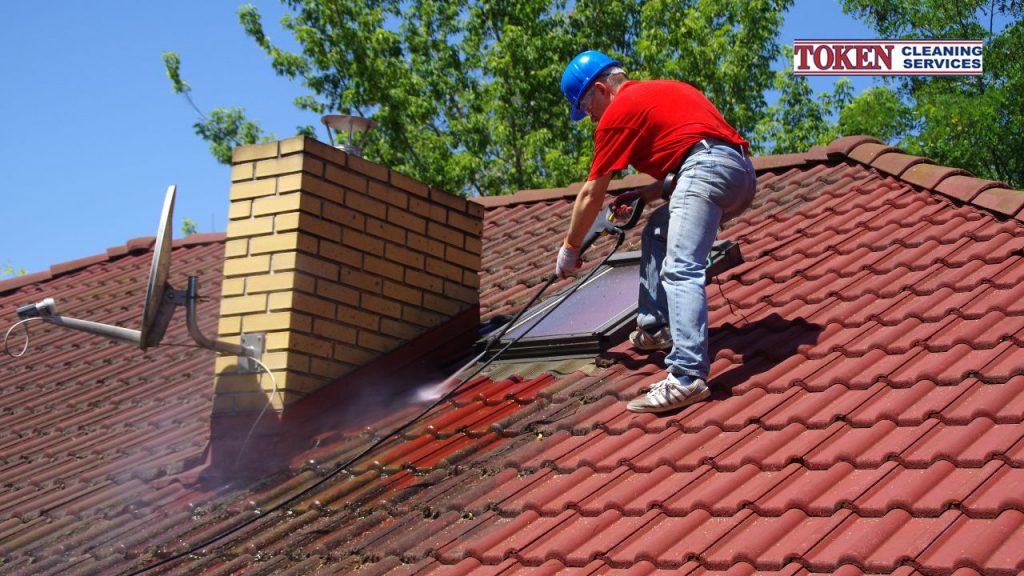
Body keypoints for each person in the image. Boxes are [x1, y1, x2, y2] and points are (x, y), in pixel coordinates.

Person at [554, 50, 756, 413]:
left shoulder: (618, 111)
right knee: (659, 231)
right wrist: (646, 193)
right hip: (740, 175)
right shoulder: (662, 90)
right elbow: (699, 155)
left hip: (705, 170)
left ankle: (686, 376)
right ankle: (655, 327)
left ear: (600, 89)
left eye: (586, 108)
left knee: (681, 268)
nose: (590, 118)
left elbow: (591, 192)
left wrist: (570, 248)